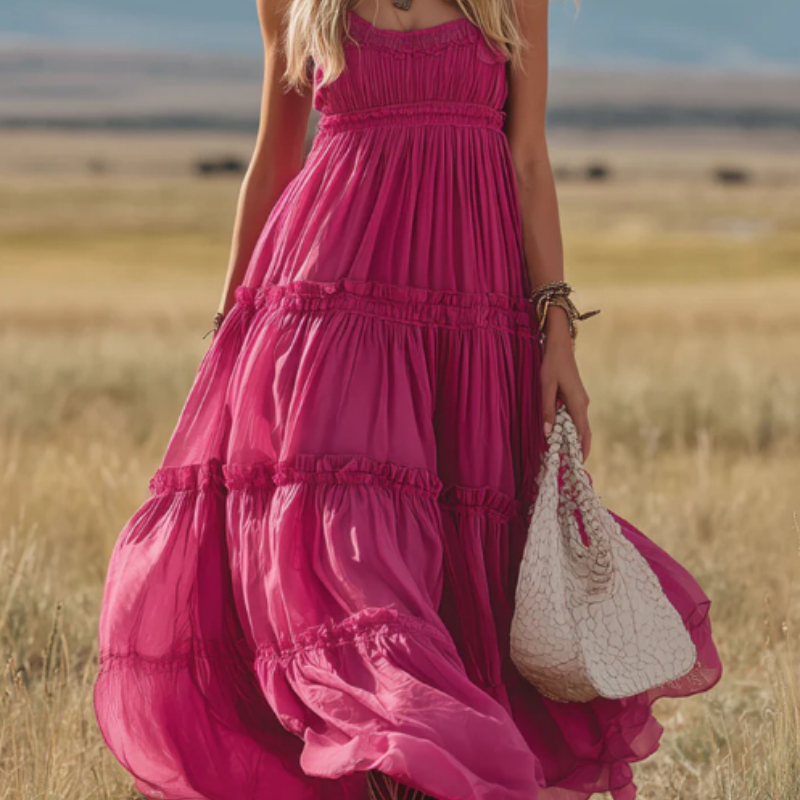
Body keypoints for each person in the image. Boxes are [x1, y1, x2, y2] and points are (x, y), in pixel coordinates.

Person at [93, 1, 722, 798]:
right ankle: (397, 740)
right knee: (348, 553)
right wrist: (230, 327)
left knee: (464, 571)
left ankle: (427, 770)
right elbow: (277, 160)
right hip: (327, 304)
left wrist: (558, 325)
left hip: (470, 313)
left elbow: (527, 159)